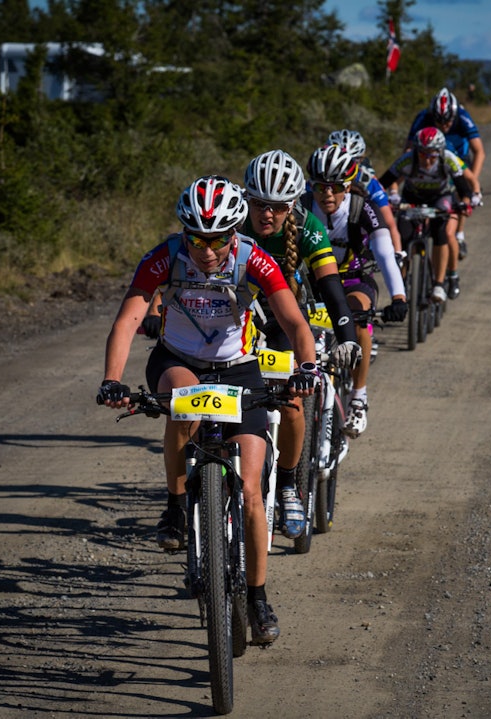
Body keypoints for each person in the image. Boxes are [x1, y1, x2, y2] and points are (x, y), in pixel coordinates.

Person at [97, 175, 318, 644]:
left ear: (235, 233)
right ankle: (176, 506)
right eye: (197, 239)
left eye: (218, 240)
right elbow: (128, 320)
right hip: (177, 361)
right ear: (185, 233)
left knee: (253, 491)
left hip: (239, 368)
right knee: (186, 404)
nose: (208, 250)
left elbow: (294, 322)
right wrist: (112, 379)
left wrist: (307, 368)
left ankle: (257, 597)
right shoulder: (164, 257)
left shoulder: (253, 259)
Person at [238, 149, 361, 535]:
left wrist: (347, 337)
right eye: (259, 204)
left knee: (291, 402)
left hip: (283, 321)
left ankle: (289, 485)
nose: (267, 214)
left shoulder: (309, 228)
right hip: (235, 319)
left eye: (277, 207)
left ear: (292, 204)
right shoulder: (233, 220)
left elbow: (332, 289)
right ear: (246, 199)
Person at [302, 144, 408, 437]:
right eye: (320, 187)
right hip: (313, 282)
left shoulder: (363, 208)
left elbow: (384, 253)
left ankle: (358, 397)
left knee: (359, 319)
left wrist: (398, 296)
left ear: (347, 186)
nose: (327, 194)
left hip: (354, 279)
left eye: (336, 187)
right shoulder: (302, 206)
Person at [380, 126, 475, 302]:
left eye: (432, 155)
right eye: (423, 154)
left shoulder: (448, 159)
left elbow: (464, 189)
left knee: (441, 233)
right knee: (403, 237)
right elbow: (382, 183)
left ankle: (439, 284)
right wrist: (384, 200)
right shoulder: (407, 160)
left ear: (440, 152)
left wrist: (466, 204)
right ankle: (402, 284)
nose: (428, 160)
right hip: (411, 199)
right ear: (416, 151)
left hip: (439, 198)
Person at [405, 88, 484, 262]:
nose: (443, 126)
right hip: (432, 159)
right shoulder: (423, 117)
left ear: (454, 116)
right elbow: (409, 149)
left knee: (460, 196)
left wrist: (473, 182)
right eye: (438, 122)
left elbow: (479, 151)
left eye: (448, 122)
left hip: (459, 160)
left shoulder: (463, 117)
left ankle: (459, 235)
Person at [327, 128, 403, 255]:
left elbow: (389, 224)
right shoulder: (319, 178)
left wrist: (398, 254)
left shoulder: (369, 182)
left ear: (360, 160)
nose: (345, 168)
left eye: (352, 162)